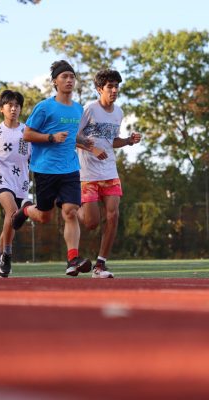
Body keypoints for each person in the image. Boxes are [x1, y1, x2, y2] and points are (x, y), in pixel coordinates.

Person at [11, 60, 93, 276]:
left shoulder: (78, 109)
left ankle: (72, 259)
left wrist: (84, 142)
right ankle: (27, 210)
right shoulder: (44, 107)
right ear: (55, 81)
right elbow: (27, 134)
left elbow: (73, 136)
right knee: (45, 216)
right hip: (45, 169)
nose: (69, 80)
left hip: (69, 169)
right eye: (64, 76)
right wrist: (50, 137)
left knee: (70, 211)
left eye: (72, 77)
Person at [76, 69, 141, 278]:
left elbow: (112, 141)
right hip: (87, 173)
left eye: (116, 86)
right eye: (109, 87)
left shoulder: (118, 113)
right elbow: (72, 138)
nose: (114, 90)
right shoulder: (89, 110)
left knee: (113, 215)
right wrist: (92, 148)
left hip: (109, 170)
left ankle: (100, 265)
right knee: (91, 223)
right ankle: (69, 207)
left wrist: (129, 141)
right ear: (99, 89)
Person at [0, 89, 31, 278]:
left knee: (12, 221)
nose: (14, 109)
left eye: (17, 105)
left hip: (22, 181)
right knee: (12, 213)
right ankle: (7, 255)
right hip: (1, 179)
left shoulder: (27, 131)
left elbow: (33, 155)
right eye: (10, 105)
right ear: (2, 108)